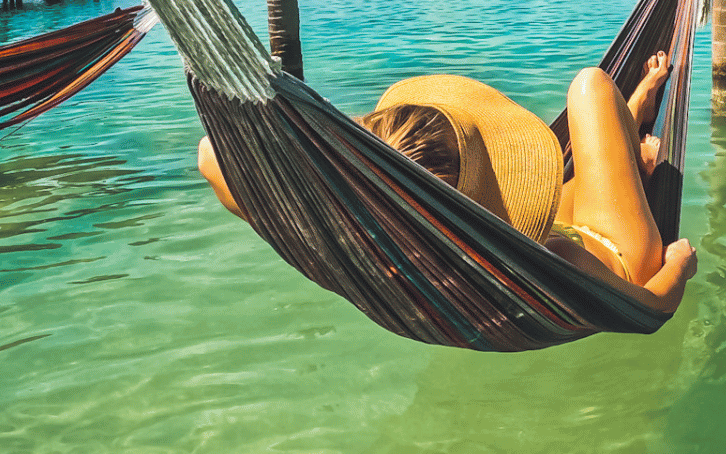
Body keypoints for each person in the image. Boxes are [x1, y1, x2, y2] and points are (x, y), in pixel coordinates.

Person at [197, 52, 696, 311]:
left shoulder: (346, 242)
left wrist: (339, 173)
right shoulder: (553, 263)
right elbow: (652, 308)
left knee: (586, 175)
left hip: (539, 235)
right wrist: (678, 265)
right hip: (615, 254)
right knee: (591, 86)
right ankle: (638, 126)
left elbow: (210, 155)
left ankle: (633, 148)